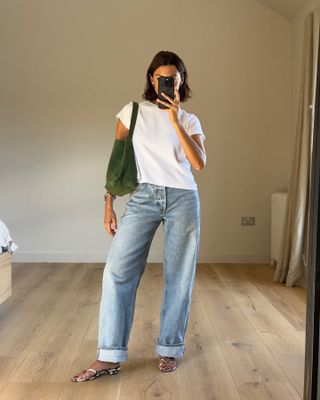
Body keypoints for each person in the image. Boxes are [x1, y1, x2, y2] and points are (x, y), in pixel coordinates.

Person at [71, 50, 207, 382]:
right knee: (118, 271)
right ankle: (109, 356)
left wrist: (175, 121)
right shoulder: (131, 113)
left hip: (183, 199)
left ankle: (170, 348)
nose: (166, 82)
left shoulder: (189, 120)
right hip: (144, 196)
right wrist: (108, 203)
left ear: (181, 81)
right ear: (150, 79)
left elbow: (199, 163)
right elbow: (117, 163)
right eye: (161, 77)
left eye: (173, 78)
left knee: (179, 276)